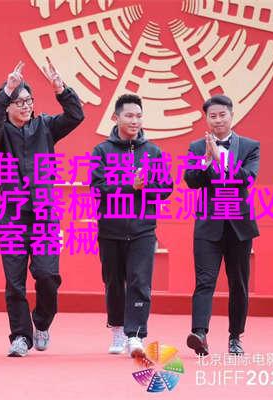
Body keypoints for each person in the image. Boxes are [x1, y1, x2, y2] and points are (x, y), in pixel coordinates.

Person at [0, 61, 84, 357]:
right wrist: (7, 89)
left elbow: (75, 115)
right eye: (20, 102)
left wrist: (61, 89)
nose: (26, 106)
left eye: (29, 101)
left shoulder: (45, 127)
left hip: (44, 216)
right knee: (15, 282)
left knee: (47, 275)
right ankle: (20, 337)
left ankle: (41, 323)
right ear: (8, 107)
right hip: (13, 217)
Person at [91, 94, 172, 357]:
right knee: (114, 282)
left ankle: (136, 334)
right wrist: (130, 185)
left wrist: (146, 186)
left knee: (140, 281)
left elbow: (165, 189)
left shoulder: (153, 152)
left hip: (143, 229)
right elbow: (98, 188)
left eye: (138, 116)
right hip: (111, 229)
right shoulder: (102, 151)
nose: (134, 121)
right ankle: (117, 329)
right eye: (129, 115)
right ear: (116, 118)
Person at [184, 94, 260, 356]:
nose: (217, 120)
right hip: (208, 225)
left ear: (231, 115)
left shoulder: (250, 146)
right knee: (204, 281)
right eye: (212, 116)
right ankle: (199, 334)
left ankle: (235, 337)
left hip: (239, 226)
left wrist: (222, 160)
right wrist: (206, 160)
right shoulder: (197, 147)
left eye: (222, 115)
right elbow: (191, 181)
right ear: (206, 119)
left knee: (238, 283)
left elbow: (247, 179)